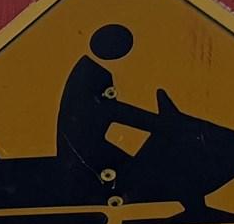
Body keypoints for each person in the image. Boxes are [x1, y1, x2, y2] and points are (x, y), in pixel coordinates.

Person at [57, 24, 163, 182]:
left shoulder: (93, 68)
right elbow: (108, 110)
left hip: (84, 148)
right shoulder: (92, 72)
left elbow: (110, 110)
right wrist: (159, 122)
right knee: (148, 175)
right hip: (84, 154)